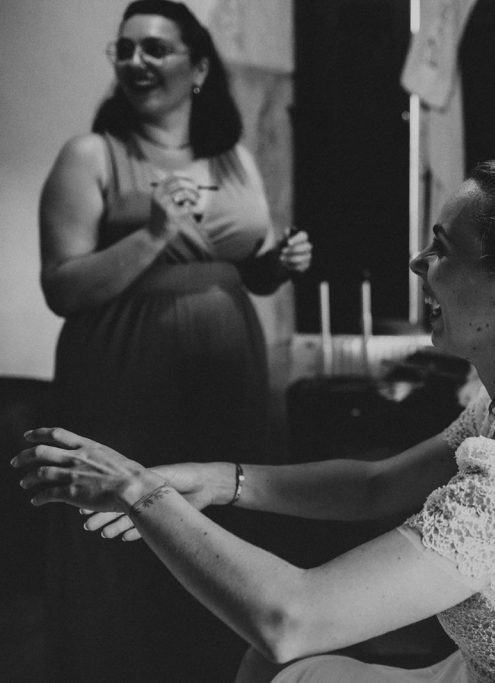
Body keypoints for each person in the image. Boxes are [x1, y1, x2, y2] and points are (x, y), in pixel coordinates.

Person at [14, 157, 495, 683]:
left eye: (442, 249)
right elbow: (374, 485)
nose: (419, 263)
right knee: (269, 665)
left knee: (280, 654)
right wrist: (214, 480)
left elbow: (289, 618)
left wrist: (137, 490)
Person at [38, 1, 311, 680]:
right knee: (120, 523)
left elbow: (242, 266)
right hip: (123, 367)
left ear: (199, 67)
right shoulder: (91, 155)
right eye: (124, 50)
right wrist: (152, 234)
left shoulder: (236, 158)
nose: (135, 62)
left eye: (155, 49)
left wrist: (273, 266)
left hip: (227, 367)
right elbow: (62, 288)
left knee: (216, 518)